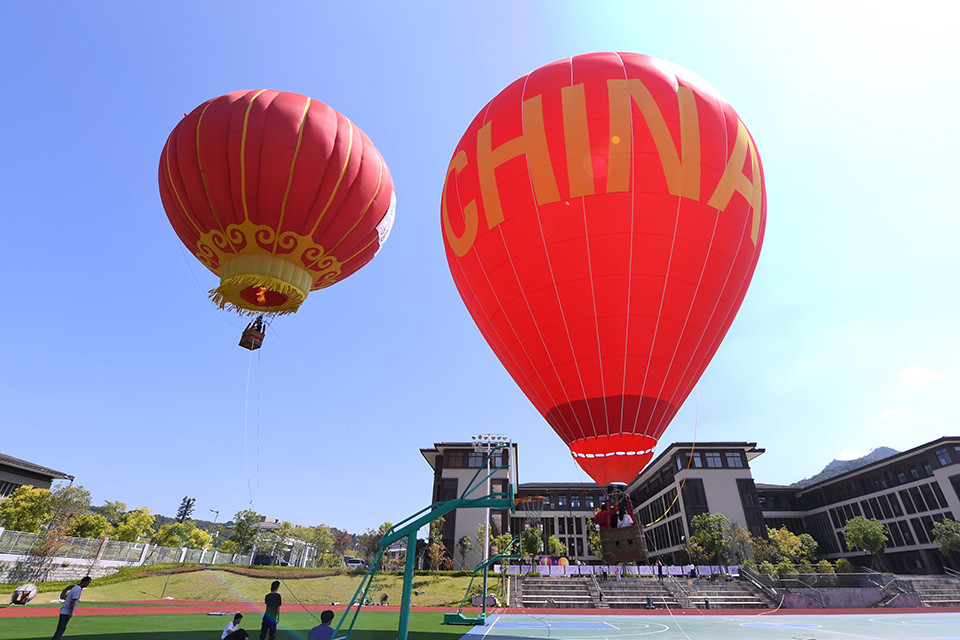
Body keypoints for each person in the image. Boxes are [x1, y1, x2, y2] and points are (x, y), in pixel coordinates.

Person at [51, 575, 92, 640]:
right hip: (65, 612)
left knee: (61, 628)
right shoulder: (77, 589)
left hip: (65, 611)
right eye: (88, 582)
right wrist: (70, 612)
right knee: (61, 629)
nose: (88, 584)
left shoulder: (76, 588)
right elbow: (73, 601)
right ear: (85, 582)